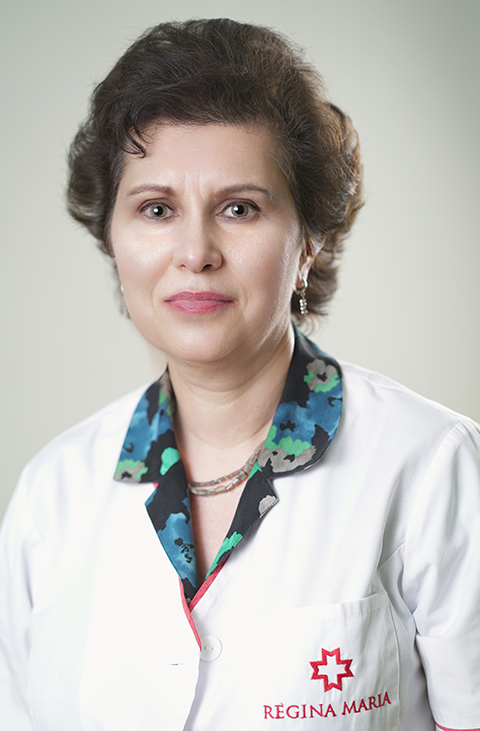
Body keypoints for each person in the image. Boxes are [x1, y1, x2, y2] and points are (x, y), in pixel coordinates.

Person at [0, 18, 479, 731]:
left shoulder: (432, 466)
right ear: (112, 238)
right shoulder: (51, 495)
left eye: (239, 208)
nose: (195, 250)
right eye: (156, 209)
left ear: (309, 240)